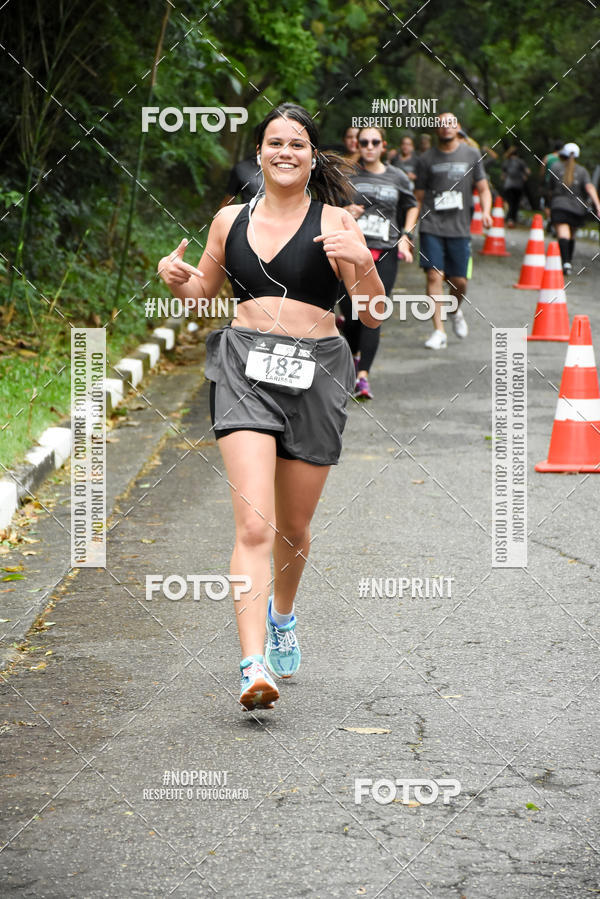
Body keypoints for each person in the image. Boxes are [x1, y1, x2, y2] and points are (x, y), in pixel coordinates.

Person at [157, 103, 384, 711]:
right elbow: (202, 292)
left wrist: (361, 263)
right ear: (258, 153)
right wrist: (175, 278)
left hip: (319, 371)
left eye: (298, 144)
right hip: (243, 365)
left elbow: (374, 312)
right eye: (274, 142)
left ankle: (284, 615)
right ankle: (252, 664)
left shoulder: (336, 220)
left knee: (293, 526)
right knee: (254, 524)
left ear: (313, 158)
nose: (285, 152)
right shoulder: (228, 219)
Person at [341, 125, 418, 399]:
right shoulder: (346, 175)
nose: (369, 146)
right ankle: (350, 359)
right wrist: (346, 210)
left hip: (384, 251)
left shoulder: (397, 176)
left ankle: (363, 377)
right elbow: (327, 207)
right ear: (357, 145)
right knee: (351, 314)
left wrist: (405, 235)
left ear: (384, 145)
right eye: (364, 142)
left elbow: (411, 206)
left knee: (374, 313)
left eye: (375, 142)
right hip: (350, 251)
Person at [414, 112, 493, 350]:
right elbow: (418, 197)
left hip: (459, 227)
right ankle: (439, 331)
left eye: (450, 123)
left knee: (459, 281)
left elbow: (483, 188)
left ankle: (455, 310)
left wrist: (486, 211)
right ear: (437, 130)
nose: (446, 128)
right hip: (431, 225)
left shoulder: (471, 154)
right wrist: (411, 227)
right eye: (441, 124)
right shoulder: (426, 159)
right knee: (434, 275)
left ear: (458, 127)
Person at [548, 141, 600, 274]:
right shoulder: (582, 171)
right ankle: (568, 262)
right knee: (571, 235)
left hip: (559, 205)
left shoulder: (555, 167)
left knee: (563, 234)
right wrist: (598, 206)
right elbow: (589, 188)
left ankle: (565, 263)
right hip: (577, 208)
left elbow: (549, 187)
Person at [501, 147, 530, 227]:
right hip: (518, 185)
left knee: (509, 202)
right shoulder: (521, 162)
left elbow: (503, 176)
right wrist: (524, 176)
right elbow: (527, 171)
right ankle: (513, 219)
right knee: (516, 203)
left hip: (508, 185)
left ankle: (509, 219)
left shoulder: (506, 162)